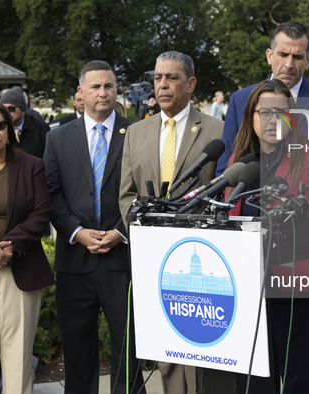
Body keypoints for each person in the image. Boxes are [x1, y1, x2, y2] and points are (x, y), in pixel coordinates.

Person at [227, 78, 309, 394]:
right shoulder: (240, 163)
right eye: (264, 113)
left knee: (300, 377)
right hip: (250, 286)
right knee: (255, 381)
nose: (272, 121)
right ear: (250, 117)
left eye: (281, 113)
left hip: (299, 282)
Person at [119, 51, 223, 394]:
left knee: (202, 350)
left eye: (172, 78)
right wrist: (144, 234)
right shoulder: (136, 132)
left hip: (202, 257)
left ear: (191, 84)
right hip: (157, 259)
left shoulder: (217, 130)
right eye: (158, 78)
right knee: (168, 353)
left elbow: (224, 193)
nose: (163, 85)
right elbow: (127, 194)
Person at [44, 60, 145, 394]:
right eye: (95, 87)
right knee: (77, 352)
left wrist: (120, 231)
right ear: (81, 92)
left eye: (110, 86)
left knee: (128, 349)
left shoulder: (136, 133)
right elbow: (52, 193)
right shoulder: (57, 138)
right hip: (75, 261)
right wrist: (76, 232)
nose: (103, 93)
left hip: (122, 262)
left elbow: (143, 192)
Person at [0, 101, 54, 393]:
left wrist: (8, 248)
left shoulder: (32, 166)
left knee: (18, 353)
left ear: (9, 129)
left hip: (21, 267)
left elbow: (40, 214)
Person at [217, 20, 309, 175]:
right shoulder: (240, 99)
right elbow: (224, 167)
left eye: (297, 57)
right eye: (283, 54)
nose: (289, 64)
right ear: (270, 56)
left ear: (308, 61)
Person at [0, 87, 50, 158]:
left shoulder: (40, 128)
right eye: (3, 109)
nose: (7, 113)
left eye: (11, 109)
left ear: (22, 108)